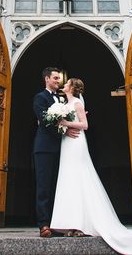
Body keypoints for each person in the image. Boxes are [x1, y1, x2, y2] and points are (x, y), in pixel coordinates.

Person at [50, 78, 132, 255]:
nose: (64, 85)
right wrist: (59, 125)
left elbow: (85, 125)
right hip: (67, 142)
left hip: (76, 143)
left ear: (73, 88)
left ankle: (84, 223)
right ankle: (72, 223)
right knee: (68, 179)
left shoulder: (76, 103)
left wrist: (66, 123)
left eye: (67, 83)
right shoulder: (63, 103)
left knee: (79, 176)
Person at [33, 67, 79, 238]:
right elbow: (45, 121)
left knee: (59, 186)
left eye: (59, 78)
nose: (58, 81)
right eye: (55, 78)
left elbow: (69, 116)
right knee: (44, 186)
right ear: (46, 79)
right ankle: (44, 224)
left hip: (63, 148)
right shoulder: (40, 98)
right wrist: (64, 131)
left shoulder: (62, 99)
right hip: (44, 148)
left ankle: (58, 223)